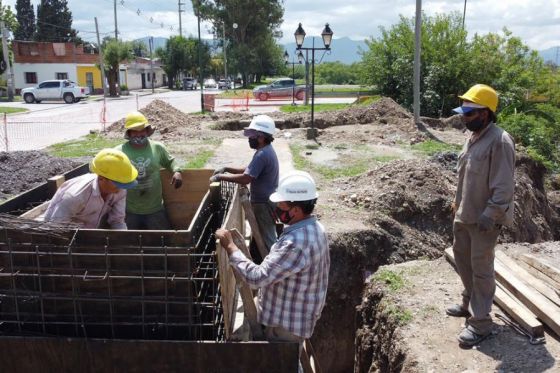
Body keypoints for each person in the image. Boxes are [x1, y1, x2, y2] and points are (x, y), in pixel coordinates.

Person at [215, 170, 330, 360]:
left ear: (296, 210)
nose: (277, 208)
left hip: (285, 325)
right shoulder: (315, 228)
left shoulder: (295, 244)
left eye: (281, 205)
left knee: (281, 363)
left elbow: (256, 278)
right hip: (297, 314)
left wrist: (231, 247)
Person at [447, 84, 515, 347]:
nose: (464, 117)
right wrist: (457, 203)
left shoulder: (500, 141)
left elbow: (504, 186)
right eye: (464, 111)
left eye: (469, 112)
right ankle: (468, 302)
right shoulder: (473, 137)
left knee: (482, 269)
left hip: (484, 220)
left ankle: (481, 323)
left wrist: (492, 214)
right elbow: (464, 176)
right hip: (465, 214)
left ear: (485, 113)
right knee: (462, 260)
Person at [210, 114, 280, 253]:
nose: (250, 138)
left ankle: (275, 265)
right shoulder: (265, 151)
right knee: (264, 234)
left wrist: (221, 177)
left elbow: (246, 178)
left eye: (252, 135)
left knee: (268, 238)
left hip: (263, 204)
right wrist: (227, 169)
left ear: (261, 137)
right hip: (265, 201)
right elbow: (249, 169)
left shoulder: (262, 154)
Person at [116, 111, 183, 230]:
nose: (138, 134)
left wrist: (177, 172)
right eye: (134, 131)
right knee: (130, 242)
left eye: (141, 130)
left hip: (155, 208)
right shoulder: (120, 152)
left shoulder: (157, 148)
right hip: (130, 209)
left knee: (163, 241)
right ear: (129, 133)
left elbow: (170, 161)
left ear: (147, 131)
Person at [44, 148, 138, 229]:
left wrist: (124, 239)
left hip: (90, 230)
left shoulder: (120, 189)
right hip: (65, 231)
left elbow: (117, 221)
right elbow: (55, 227)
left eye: (124, 183)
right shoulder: (75, 196)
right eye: (118, 183)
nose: (121, 188)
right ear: (102, 178)